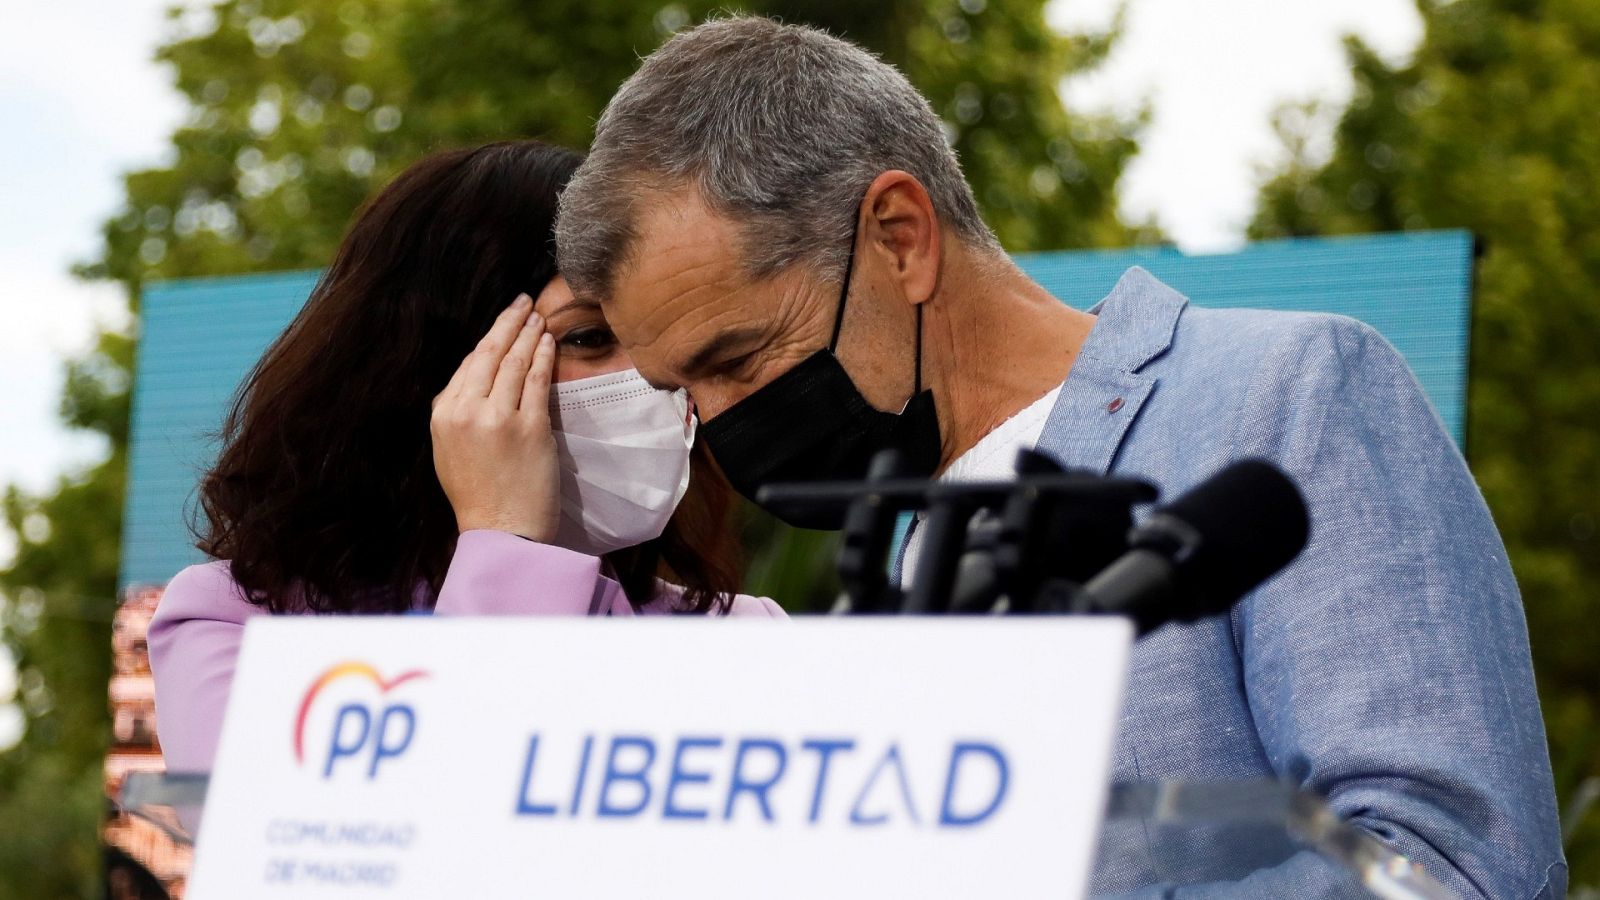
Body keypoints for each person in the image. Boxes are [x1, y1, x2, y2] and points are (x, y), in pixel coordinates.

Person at [553, 17, 1566, 899]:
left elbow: (1455, 864)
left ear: (900, 237)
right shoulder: (906, 537)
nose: (716, 424)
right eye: (682, 389)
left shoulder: (1286, 392)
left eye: (734, 359)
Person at [148, 140, 784, 776]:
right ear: (433, 368)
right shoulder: (232, 624)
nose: (653, 377)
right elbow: (402, 839)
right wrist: (504, 543)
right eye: (589, 337)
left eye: (659, 341)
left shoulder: (746, 642)